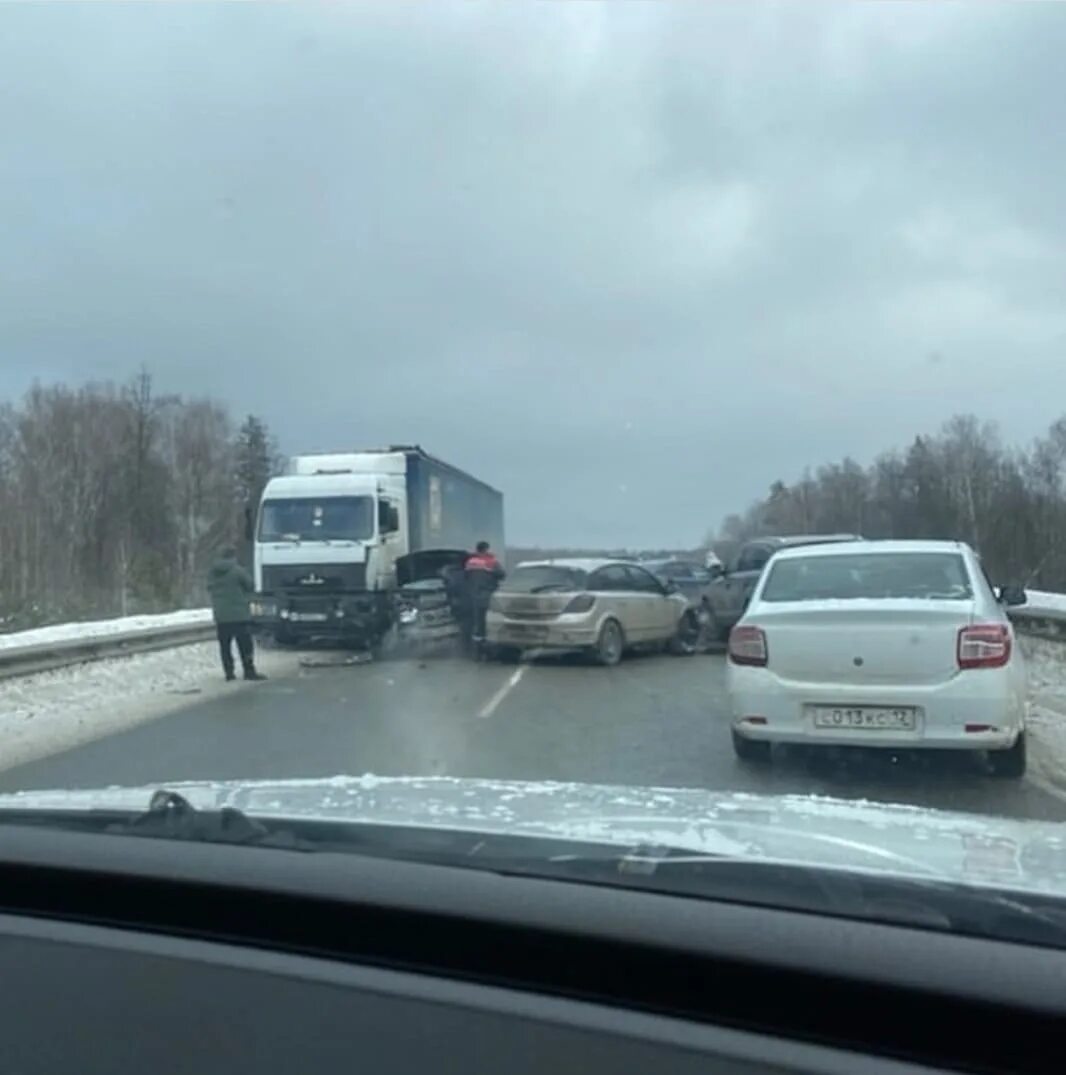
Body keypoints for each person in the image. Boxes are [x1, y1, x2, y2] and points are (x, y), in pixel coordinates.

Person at [206, 546, 267, 682]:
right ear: (233, 557)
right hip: (239, 615)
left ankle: (229, 673)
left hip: (221, 616)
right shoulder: (238, 571)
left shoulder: (212, 572)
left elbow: (209, 587)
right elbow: (250, 585)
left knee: (225, 646)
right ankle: (249, 671)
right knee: (245, 645)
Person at [464, 540, 505, 656]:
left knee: (478, 623)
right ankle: (490, 649)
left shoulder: (470, 562)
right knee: (490, 622)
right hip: (488, 596)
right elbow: (502, 575)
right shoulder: (491, 562)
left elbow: (465, 578)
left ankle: (477, 650)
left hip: (473, 597)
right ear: (486, 549)